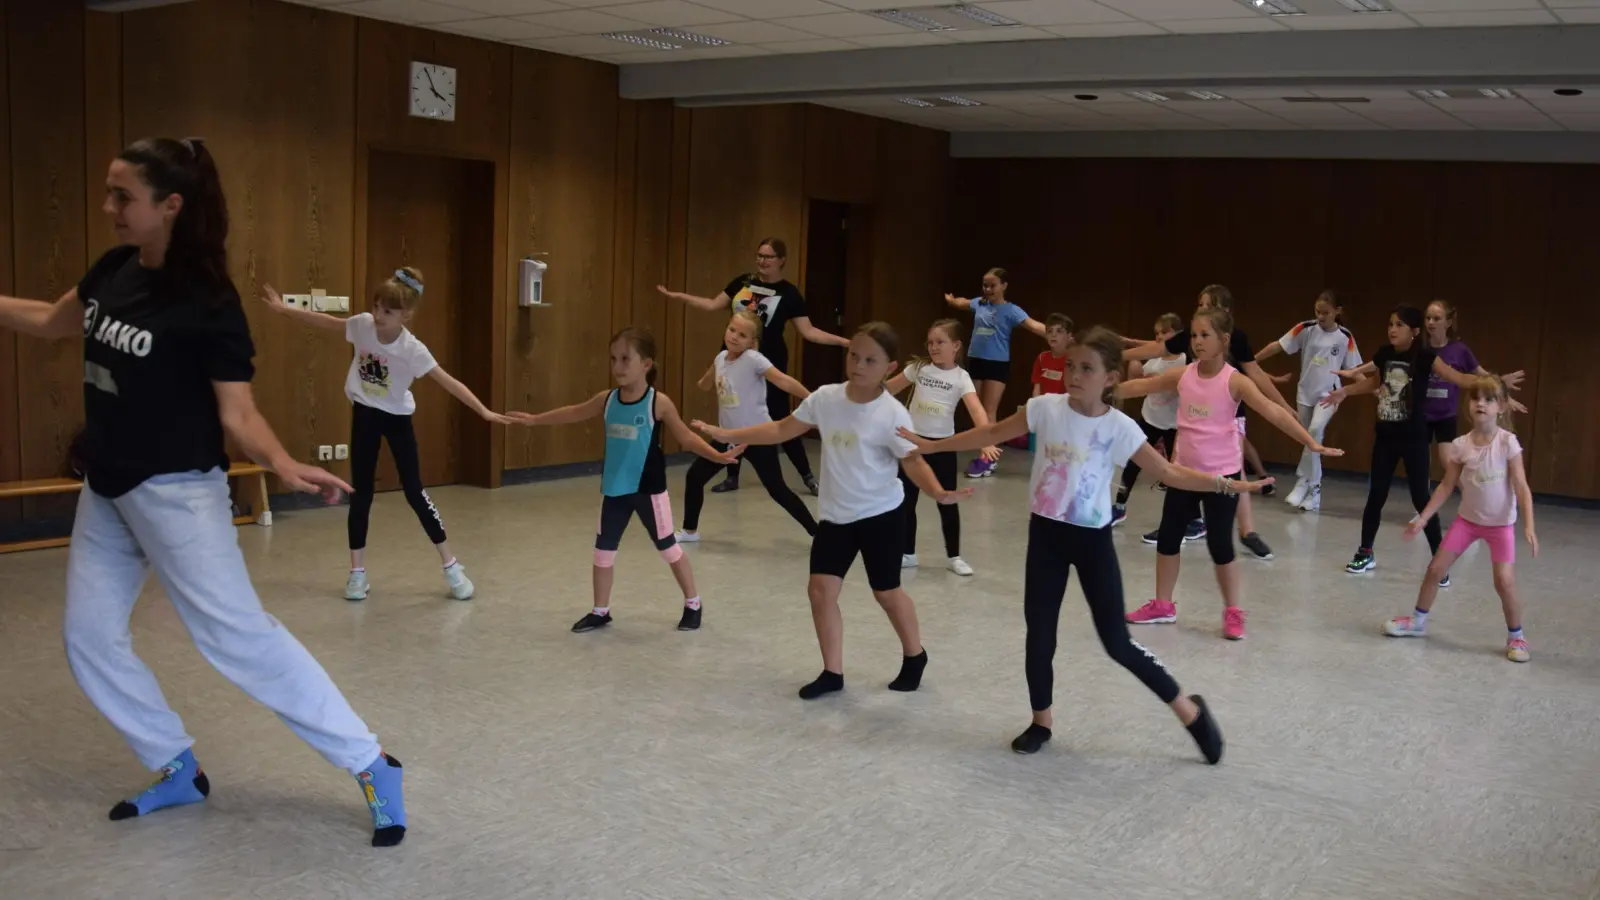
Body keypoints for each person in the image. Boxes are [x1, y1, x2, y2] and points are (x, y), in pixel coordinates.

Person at [0, 137, 407, 846]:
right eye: (109, 191)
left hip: (177, 493)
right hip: (108, 485)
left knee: (235, 638)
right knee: (88, 637)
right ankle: (174, 765)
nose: (109, 207)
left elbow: (237, 412)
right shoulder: (113, 271)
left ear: (171, 205)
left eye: (123, 195)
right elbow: (46, 322)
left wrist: (281, 461)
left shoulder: (208, 303)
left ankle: (370, 760)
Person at [899, 327, 1250, 761]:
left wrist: (1222, 484)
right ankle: (1041, 720)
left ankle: (1189, 711)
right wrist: (934, 443)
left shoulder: (1120, 427)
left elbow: (1169, 473)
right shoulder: (1044, 409)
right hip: (1045, 536)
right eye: (1071, 366)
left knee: (1116, 642)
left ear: (1109, 378)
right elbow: (985, 433)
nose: (1074, 374)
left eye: (1087, 368)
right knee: (1040, 636)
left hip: (1091, 542)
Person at [693, 323, 971, 700]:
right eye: (854, 355)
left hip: (881, 516)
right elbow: (780, 429)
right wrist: (731, 435)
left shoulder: (892, 414)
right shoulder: (825, 399)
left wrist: (938, 493)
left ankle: (914, 654)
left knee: (886, 593)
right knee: (821, 591)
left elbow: (914, 462)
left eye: (870, 359)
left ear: (889, 368)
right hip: (836, 517)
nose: (858, 364)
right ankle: (832, 672)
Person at [261, 271, 510, 602]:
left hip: (397, 418)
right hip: (365, 413)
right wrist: (285, 310)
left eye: (387, 312)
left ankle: (451, 566)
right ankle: (357, 573)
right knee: (360, 492)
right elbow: (326, 322)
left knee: (414, 491)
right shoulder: (363, 325)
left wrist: (484, 411)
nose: (378, 316)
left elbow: (448, 381)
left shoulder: (412, 349)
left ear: (406, 315)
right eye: (376, 307)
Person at [1122, 307, 1342, 640]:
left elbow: (1274, 413)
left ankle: (1233, 610)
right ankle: (1163, 605)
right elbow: (1142, 385)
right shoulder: (1183, 375)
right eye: (1194, 335)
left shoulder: (1234, 381)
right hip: (1182, 474)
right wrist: (1099, 391)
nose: (1197, 342)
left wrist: (1312, 442)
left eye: (1204, 335)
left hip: (1222, 479)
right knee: (1168, 538)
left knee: (1220, 545)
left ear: (1224, 340)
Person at [508, 327, 741, 633]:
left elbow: (684, 437)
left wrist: (718, 456)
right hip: (615, 490)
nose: (617, 367)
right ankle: (600, 610)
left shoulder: (658, 402)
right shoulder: (607, 399)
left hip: (649, 491)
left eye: (625, 359)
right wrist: (535, 420)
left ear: (646, 364)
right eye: (613, 359)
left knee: (669, 549)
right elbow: (574, 412)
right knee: (603, 553)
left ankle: (693, 602)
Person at [656, 238, 849, 496]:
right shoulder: (743, 283)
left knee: (782, 419)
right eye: (759, 255)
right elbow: (713, 304)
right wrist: (680, 296)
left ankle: (807, 476)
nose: (762, 261)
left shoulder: (789, 293)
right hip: (734, 360)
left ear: (782, 260)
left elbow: (809, 331)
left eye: (769, 257)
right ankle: (731, 474)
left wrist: (845, 342)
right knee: (733, 413)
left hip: (767, 363)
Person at [1323, 305, 1499, 581]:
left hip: (1414, 437)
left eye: (1399, 325)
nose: (1393, 329)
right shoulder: (1384, 354)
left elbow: (1460, 378)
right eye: (1391, 324)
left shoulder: (1425, 356)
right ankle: (1365, 552)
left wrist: (1494, 383)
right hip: (1385, 437)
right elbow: (1373, 384)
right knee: (1376, 496)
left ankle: (1439, 561)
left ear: (1414, 332)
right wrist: (1345, 391)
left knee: (1421, 498)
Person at [1381, 375, 1537, 662]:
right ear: (1468, 405)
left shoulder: (1508, 443)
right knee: (1435, 569)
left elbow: (1521, 486)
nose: (1481, 404)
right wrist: (1424, 518)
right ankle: (1417, 622)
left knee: (1504, 581)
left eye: (1489, 399)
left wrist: (1529, 525)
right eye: (1476, 398)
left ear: (1501, 406)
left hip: (1500, 525)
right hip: (1467, 522)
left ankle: (1517, 636)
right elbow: (1445, 486)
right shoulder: (1460, 445)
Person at [1125, 285, 1287, 559]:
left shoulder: (1235, 339)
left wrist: (1283, 405)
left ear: (1224, 312)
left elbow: (1255, 373)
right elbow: (1158, 347)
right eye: (1199, 304)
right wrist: (1122, 352)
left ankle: (1247, 532)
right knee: (1182, 463)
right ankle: (1186, 522)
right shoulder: (1193, 335)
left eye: (1206, 304)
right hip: (1195, 412)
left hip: (1228, 412)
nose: (1199, 309)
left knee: (1234, 470)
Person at [677, 310, 816, 542]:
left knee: (777, 490)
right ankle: (690, 531)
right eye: (732, 330)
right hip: (728, 437)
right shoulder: (720, 358)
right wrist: (705, 379)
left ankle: (817, 532)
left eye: (742, 335)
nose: (734, 337)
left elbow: (783, 380)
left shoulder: (754, 360)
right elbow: (706, 383)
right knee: (695, 477)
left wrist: (812, 399)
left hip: (758, 437)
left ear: (752, 342)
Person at [1338, 299, 1526, 470]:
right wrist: (1356, 371)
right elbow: (1383, 360)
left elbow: (1480, 377)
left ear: (1448, 323)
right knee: (1420, 464)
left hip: (1445, 415)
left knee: (1448, 460)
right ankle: (1423, 505)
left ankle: (1468, 494)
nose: (1431, 323)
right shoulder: (1419, 348)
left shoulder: (1459, 350)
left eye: (1436, 318)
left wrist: (1501, 386)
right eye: (1428, 318)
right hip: (1422, 414)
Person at [883, 319, 996, 576]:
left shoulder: (961, 377)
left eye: (940, 342)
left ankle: (954, 556)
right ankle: (907, 553)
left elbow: (976, 409)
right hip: (912, 445)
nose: (933, 347)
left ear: (955, 346)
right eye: (930, 342)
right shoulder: (919, 368)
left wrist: (986, 440)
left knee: (947, 502)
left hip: (943, 447)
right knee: (906, 501)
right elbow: (889, 388)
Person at [1252, 290, 1361, 512]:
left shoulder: (1345, 337)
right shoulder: (1305, 328)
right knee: (1307, 440)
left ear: (1337, 311)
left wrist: (1374, 389)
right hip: (1305, 394)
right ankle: (1312, 491)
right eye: (1317, 312)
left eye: (1326, 313)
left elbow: (1355, 370)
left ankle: (1306, 483)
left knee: (1315, 431)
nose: (1321, 317)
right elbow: (1277, 346)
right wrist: (1251, 361)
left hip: (1328, 394)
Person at [943, 268, 1049, 477]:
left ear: (1004, 286)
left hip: (997, 364)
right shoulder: (979, 303)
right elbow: (964, 303)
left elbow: (1034, 326)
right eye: (985, 285)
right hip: (976, 361)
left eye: (993, 285)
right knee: (978, 410)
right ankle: (986, 451)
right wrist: (952, 301)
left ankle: (988, 459)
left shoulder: (1011, 310)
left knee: (989, 411)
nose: (988, 289)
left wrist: (1057, 334)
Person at [1112, 312, 1185, 526]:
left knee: (1178, 471)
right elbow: (1139, 383)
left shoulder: (1184, 359)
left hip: (1175, 424)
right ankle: (1119, 506)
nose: (1160, 337)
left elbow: (1180, 386)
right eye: (1157, 333)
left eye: (1165, 332)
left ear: (1178, 334)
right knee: (1133, 462)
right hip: (1150, 419)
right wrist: (1136, 374)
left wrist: (1161, 381)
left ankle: (1193, 518)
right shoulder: (1153, 361)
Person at [1029, 313, 1075, 398]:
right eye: (1050, 331)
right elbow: (1036, 390)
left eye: (1059, 331)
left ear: (1069, 336)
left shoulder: (1074, 360)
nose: (1053, 335)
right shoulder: (1041, 358)